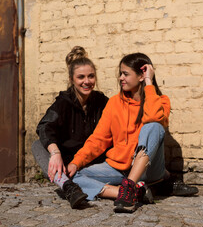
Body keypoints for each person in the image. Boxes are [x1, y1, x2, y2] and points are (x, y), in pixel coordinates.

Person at [67, 52, 183, 213]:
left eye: (126, 74)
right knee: (73, 177)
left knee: (153, 127)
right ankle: (131, 192)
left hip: (148, 170)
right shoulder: (114, 102)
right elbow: (99, 139)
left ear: (141, 75)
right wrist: (76, 162)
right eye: (121, 73)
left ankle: (129, 189)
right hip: (118, 169)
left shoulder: (161, 100)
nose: (121, 78)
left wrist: (149, 82)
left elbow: (154, 118)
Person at [32, 46, 108, 209]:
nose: (86, 81)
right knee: (37, 145)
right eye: (81, 77)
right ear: (72, 79)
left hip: (93, 163)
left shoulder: (102, 102)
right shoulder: (63, 103)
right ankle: (69, 188)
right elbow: (45, 127)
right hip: (67, 164)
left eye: (91, 76)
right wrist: (55, 153)